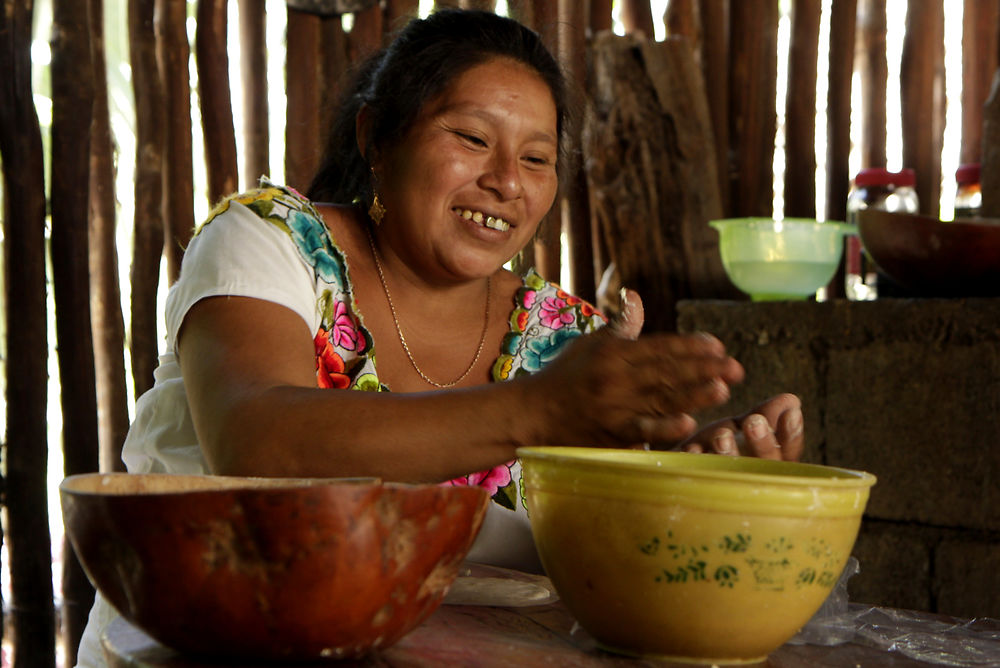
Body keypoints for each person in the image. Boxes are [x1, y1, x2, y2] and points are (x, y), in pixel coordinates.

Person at [75, 9, 802, 666]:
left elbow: (594, 563)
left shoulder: (566, 341)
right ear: (376, 138)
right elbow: (258, 442)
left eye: (537, 159)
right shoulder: (271, 244)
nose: (506, 182)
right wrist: (540, 411)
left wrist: (694, 480)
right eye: (472, 138)